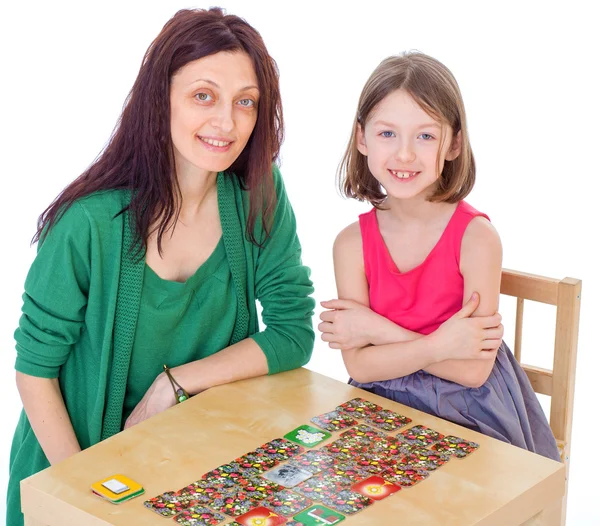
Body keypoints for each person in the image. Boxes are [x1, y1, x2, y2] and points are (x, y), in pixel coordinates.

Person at [8, 8, 315, 525]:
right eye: (203, 96)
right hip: (71, 471)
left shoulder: (258, 193)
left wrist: (174, 384)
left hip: (193, 473)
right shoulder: (88, 223)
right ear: (160, 98)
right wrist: (83, 494)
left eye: (246, 102)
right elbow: (33, 373)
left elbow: (292, 331)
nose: (227, 122)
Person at [318, 51, 559, 461]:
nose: (405, 154)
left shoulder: (477, 239)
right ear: (362, 138)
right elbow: (360, 367)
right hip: (381, 409)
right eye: (387, 134)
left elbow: (472, 371)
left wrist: (378, 328)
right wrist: (442, 344)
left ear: (454, 144)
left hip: (471, 410)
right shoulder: (351, 244)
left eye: (425, 136)